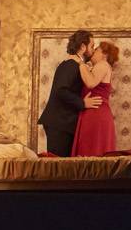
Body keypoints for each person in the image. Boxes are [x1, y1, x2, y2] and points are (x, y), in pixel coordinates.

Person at [37, 29, 104, 157]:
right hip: (60, 124)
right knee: (59, 165)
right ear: (83, 47)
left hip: (64, 123)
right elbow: (61, 90)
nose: (93, 50)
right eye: (92, 46)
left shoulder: (76, 65)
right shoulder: (70, 65)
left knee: (64, 165)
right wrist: (82, 103)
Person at [71, 39, 121, 156]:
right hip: (94, 112)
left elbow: (91, 82)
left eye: (96, 49)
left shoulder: (103, 64)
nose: (93, 52)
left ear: (104, 54)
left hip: (96, 113)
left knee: (92, 151)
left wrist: (81, 63)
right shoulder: (99, 67)